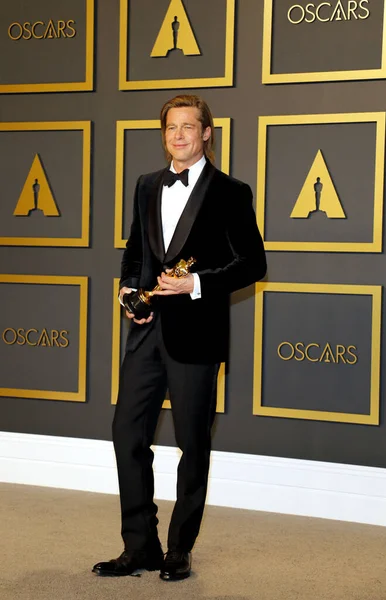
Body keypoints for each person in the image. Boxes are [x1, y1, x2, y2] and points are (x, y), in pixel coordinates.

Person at [92, 94, 267, 581]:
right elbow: (134, 251)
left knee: (192, 444)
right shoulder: (147, 185)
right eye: (172, 128)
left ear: (206, 133)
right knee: (126, 435)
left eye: (190, 127)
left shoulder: (232, 191)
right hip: (145, 336)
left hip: (197, 335)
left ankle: (179, 548)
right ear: (164, 133)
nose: (180, 136)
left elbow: (254, 264)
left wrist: (195, 284)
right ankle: (139, 545)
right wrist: (128, 288)